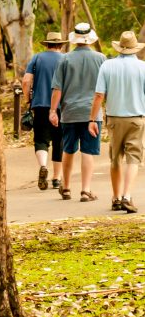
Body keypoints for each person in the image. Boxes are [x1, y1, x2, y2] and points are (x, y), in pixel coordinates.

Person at [88, 31, 145, 213]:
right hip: (137, 118)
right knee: (133, 158)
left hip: (114, 118)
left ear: (119, 47)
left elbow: (99, 95)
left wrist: (92, 119)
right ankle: (127, 196)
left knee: (115, 158)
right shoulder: (143, 67)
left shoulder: (107, 66)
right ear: (135, 48)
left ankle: (116, 197)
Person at [50, 23, 106, 202]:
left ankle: (65, 188)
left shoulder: (64, 59)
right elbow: (104, 89)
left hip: (70, 112)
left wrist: (53, 111)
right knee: (87, 151)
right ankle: (85, 190)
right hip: (92, 113)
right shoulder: (101, 59)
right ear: (90, 38)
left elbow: (57, 89)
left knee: (68, 149)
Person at [22, 32, 66, 191]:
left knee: (41, 139)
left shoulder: (37, 58)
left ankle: (42, 166)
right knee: (59, 140)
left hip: (40, 105)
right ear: (60, 45)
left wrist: (28, 100)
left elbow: (26, 81)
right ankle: (56, 178)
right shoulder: (65, 58)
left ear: (46, 44)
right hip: (61, 106)